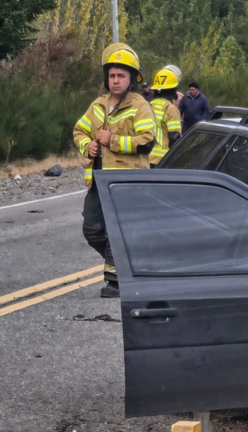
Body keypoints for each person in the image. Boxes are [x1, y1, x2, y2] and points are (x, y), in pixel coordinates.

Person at [73, 43, 156, 298]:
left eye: (121, 76)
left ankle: (115, 282)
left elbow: (147, 141)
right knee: (92, 229)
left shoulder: (140, 106)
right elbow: (79, 131)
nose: (116, 80)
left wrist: (114, 141)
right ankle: (128, 265)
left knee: (115, 231)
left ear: (131, 79)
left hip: (125, 182)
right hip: (98, 181)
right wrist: (89, 148)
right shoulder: (97, 104)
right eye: (112, 75)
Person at [149, 65, 183, 167]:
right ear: (173, 89)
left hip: (145, 158)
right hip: (162, 161)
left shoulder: (148, 106)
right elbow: (174, 137)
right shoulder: (170, 109)